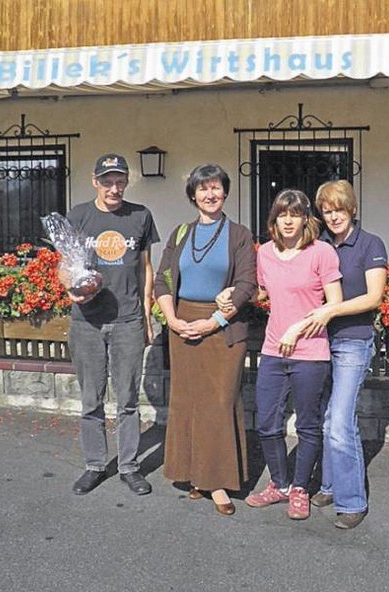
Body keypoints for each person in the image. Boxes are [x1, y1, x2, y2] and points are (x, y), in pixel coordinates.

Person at [154, 163, 256, 516]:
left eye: (216, 188)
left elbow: (246, 286)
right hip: (182, 324)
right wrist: (172, 320)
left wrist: (212, 322)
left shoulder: (239, 235)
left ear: (225, 193)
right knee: (187, 401)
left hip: (223, 328)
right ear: (193, 195)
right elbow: (162, 281)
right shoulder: (180, 233)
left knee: (218, 402)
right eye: (203, 189)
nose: (210, 195)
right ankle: (193, 475)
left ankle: (219, 483)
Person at [242, 189, 342, 520]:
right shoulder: (266, 254)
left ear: (305, 219)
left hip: (310, 352)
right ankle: (280, 484)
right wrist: (232, 294)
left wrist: (297, 329)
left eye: (295, 214)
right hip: (273, 350)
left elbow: (334, 303)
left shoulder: (321, 252)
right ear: (274, 219)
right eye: (282, 214)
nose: (288, 220)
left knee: (308, 425)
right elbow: (259, 291)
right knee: (268, 421)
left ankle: (300, 488)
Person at [67, 153, 160, 496]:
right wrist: (70, 288)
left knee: (128, 399)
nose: (114, 187)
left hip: (128, 320)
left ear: (126, 182)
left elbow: (146, 269)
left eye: (120, 180)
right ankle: (94, 465)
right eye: (107, 181)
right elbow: (67, 264)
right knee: (91, 398)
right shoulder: (78, 215)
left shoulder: (140, 216)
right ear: (95, 182)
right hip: (87, 322)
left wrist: (148, 317)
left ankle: (129, 467)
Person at [303, 180, 388, 529]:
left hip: (353, 340)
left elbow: (374, 297)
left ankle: (352, 501)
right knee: (325, 417)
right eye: (326, 210)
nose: (333, 216)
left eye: (338, 209)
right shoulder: (320, 245)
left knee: (340, 420)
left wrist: (330, 311)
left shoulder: (370, 244)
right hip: (319, 341)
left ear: (351, 209)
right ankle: (329, 484)